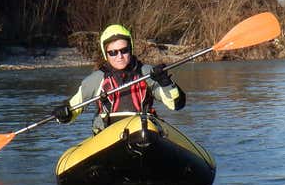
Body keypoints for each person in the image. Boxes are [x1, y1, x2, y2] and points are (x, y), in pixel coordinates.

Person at [51, 24, 185, 133]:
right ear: (106, 54)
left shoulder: (147, 73)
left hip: (143, 131)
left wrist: (165, 82)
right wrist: (64, 114)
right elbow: (71, 110)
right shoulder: (96, 80)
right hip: (109, 136)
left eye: (124, 50)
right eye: (113, 52)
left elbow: (176, 105)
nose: (119, 56)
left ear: (130, 49)